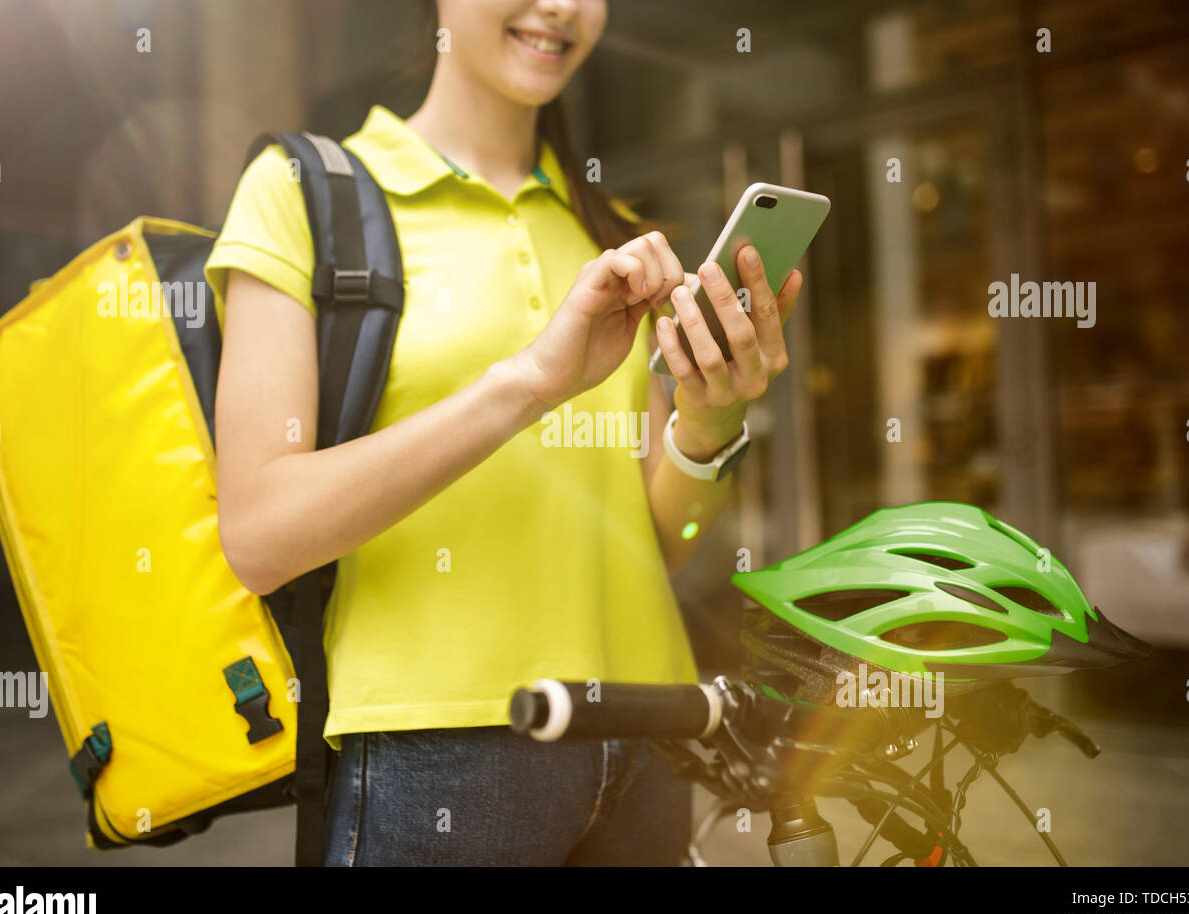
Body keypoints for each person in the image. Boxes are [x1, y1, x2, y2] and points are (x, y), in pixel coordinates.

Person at [204, 0, 802, 866]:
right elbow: (258, 535)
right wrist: (528, 384)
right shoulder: (303, 193)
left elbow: (655, 548)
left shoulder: (614, 233)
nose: (560, 8)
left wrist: (707, 427)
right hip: (439, 744)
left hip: (647, 731)